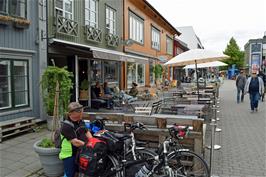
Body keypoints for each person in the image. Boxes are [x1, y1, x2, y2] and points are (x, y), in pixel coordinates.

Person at [60, 102, 93, 177]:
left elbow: (86, 132)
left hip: (80, 152)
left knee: (78, 172)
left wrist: (92, 141)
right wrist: (88, 145)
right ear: (71, 113)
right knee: (70, 174)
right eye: (79, 111)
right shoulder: (66, 126)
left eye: (81, 111)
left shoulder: (80, 121)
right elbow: (75, 142)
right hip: (69, 155)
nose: (81, 113)